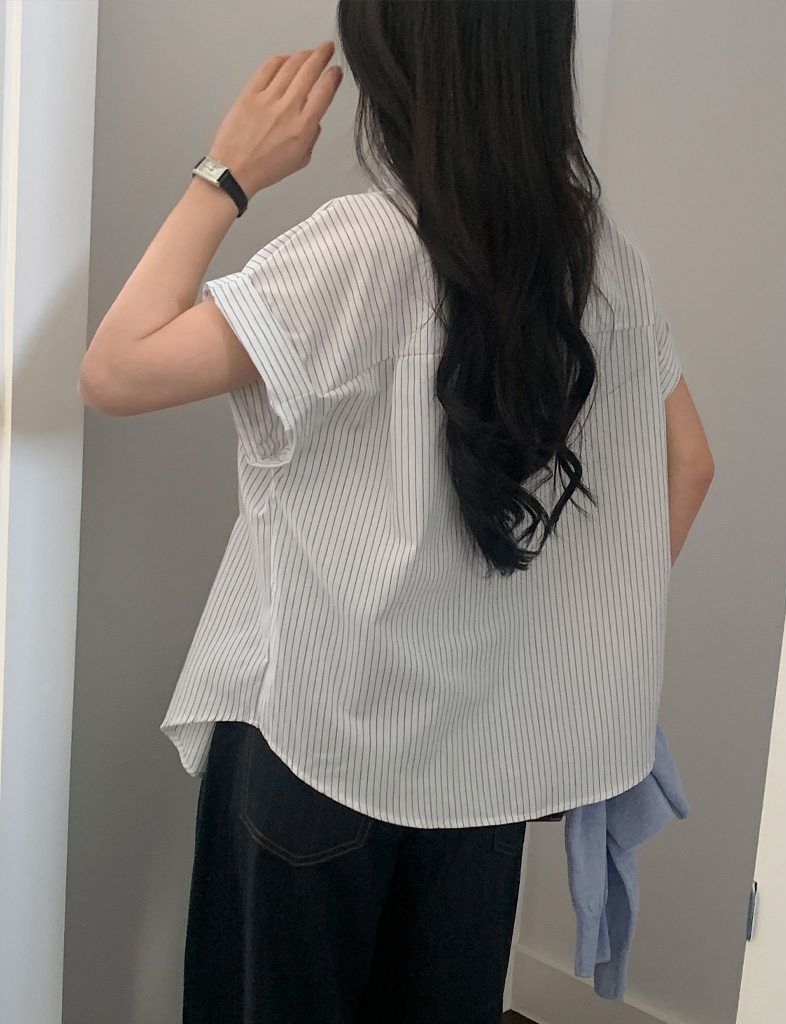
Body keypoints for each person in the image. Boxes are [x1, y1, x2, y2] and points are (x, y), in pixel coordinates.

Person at [77, 2, 714, 1022]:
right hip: (483, 767)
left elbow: (114, 369)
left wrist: (226, 173)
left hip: (321, 746)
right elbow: (688, 465)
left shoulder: (360, 249)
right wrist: (551, 646)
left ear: (394, 64)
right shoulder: (600, 255)